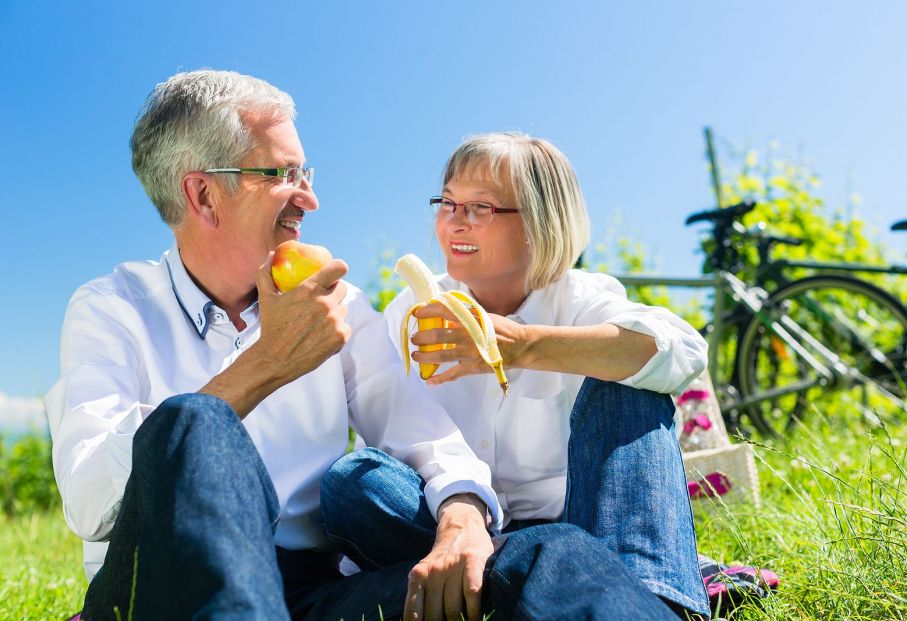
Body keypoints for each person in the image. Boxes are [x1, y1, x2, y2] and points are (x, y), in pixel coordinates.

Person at [46, 71, 684, 621]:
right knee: (193, 421)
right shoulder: (114, 308)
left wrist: (462, 518)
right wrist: (265, 366)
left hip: (314, 593)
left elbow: (421, 431)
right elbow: (92, 504)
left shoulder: (340, 307)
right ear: (204, 194)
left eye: (306, 173)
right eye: (284, 174)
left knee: (550, 553)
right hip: (161, 584)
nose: (311, 198)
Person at [382, 132, 712, 619]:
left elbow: (682, 350)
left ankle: (652, 600)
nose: (454, 221)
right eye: (447, 202)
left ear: (540, 220)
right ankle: (566, 591)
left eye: (481, 207)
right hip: (451, 527)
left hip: (582, 525)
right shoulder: (410, 311)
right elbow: (398, 435)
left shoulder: (581, 297)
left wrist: (522, 346)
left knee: (631, 389)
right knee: (360, 483)